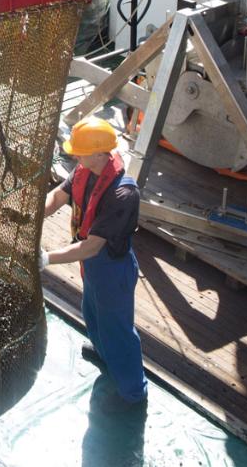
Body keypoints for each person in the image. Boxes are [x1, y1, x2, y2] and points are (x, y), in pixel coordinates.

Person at [40, 117, 147, 413]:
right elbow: (58, 197)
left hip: (113, 268)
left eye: (81, 152)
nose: (75, 156)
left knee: (119, 331)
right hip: (92, 266)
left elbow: (91, 246)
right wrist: (33, 218)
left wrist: (47, 258)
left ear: (101, 153)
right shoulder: (86, 168)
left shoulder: (123, 194)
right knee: (92, 313)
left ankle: (133, 394)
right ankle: (104, 355)